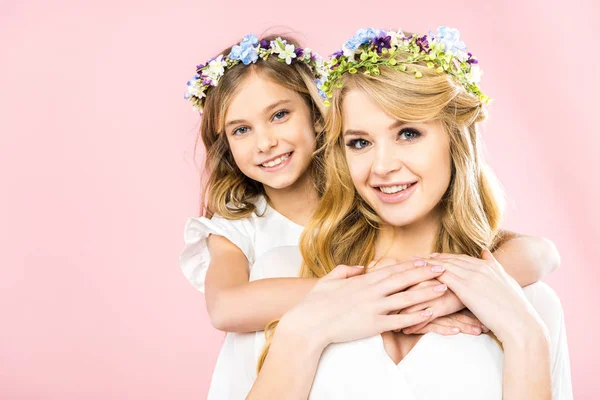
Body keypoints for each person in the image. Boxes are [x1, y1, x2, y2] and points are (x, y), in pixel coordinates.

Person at [180, 32, 561, 399]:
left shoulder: (528, 301)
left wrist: (521, 330)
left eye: (408, 133)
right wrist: (307, 328)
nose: (382, 166)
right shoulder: (275, 276)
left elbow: (537, 252)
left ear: (457, 138)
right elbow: (226, 307)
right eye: (360, 142)